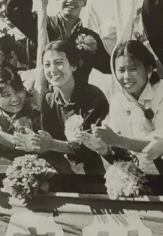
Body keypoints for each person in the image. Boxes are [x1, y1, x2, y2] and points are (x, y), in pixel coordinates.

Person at [14, 40, 118, 172]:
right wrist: (36, 142)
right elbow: (50, 139)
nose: (53, 70)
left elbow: (93, 146)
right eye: (47, 65)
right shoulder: (49, 100)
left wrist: (53, 144)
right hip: (68, 171)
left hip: (102, 171)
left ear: (74, 66)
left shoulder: (93, 97)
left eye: (59, 63)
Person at [6, 0, 111, 83]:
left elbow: (109, 67)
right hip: (45, 92)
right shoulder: (42, 25)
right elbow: (14, 12)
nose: (71, 0)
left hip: (79, 94)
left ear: (85, 2)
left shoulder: (91, 38)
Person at [93, 40, 163, 158]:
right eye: (121, 70)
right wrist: (103, 147)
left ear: (148, 69)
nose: (126, 76)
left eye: (133, 69)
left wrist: (118, 140)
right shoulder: (117, 99)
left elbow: (160, 141)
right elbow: (115, 140)